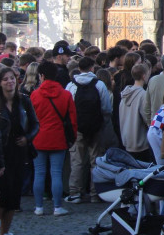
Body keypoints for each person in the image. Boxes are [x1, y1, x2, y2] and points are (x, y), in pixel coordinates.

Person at [0, 67, 39, 235]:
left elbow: (34, 123)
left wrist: (28, 138)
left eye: (12, 79)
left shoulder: (23, 100)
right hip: (1, 152)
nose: (10, 82)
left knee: (14, 196)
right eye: (6, 79)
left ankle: (4, 232)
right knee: (0, 195)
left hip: (19, 151)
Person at [29, 62, 77, 216]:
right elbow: (72, 119)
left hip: (39, 137)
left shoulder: (35, 95)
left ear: (41, 76)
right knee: (56, 173)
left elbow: (30, 119)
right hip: (58, 137)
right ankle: (57, 206)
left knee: (39, 173)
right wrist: (72, 137)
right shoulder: (65, 94)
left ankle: (38, 207)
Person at [65, 56, 112, 202]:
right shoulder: (99, 85)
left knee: (77, 160)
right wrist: (102, 122)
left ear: (79, 68)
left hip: (77, 127)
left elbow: (67, 108)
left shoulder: (71, 85)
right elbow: (106, 108)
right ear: (92, 68)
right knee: (95, 161)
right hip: (96, 126)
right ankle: (95, 193)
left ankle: (75, 192)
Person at [119, 63, 152, 162]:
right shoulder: (142, 95)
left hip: (127, 138)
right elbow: (146, 117)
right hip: (140, 141)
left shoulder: (125, 94)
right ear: (144, 76)